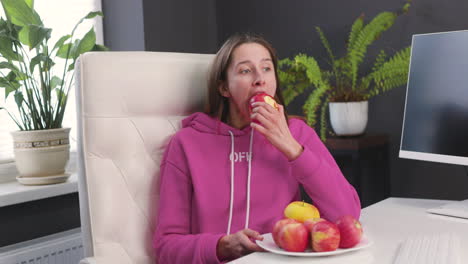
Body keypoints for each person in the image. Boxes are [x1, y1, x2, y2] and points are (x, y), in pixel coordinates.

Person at [153, 33, 361, 263]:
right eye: (245, 70)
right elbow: (166, 248)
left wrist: (292, 149)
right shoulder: (186, 144)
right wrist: (221, 246)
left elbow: (348, 215)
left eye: (266, 68)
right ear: (224, 87)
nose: (259, 79)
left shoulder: (297, 134)